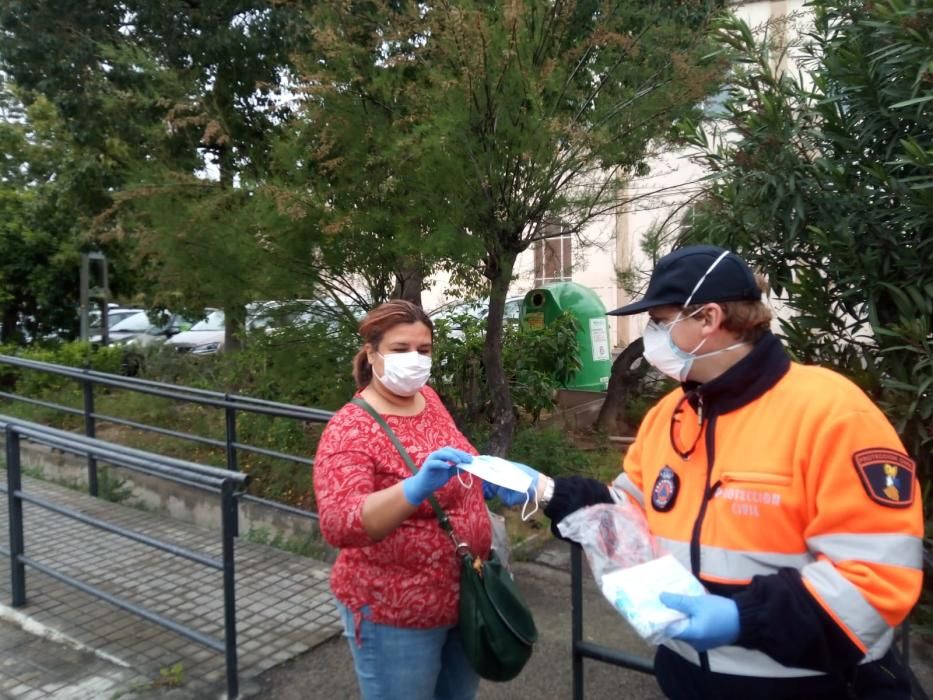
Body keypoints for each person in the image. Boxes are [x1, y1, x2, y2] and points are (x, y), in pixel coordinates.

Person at [505, 245, 924, 699]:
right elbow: (632, 514)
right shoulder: (672, 413)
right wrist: (547, 491)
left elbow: (876, 576)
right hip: (689, 679)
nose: (651, 337)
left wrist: (744, 618)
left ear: (708, 318)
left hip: (810, 684)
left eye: (661, 322)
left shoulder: (832, 414)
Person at [313, 299, 523, 700]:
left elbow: (463, 462)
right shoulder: (349, 430)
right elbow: (340, 523)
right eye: (400, 349)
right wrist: (413, 489)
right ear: (372, 354)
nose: (415, 359)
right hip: (395, 613)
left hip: (463, 598)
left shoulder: (430, 401)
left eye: (423, 350)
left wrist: (488, 479)